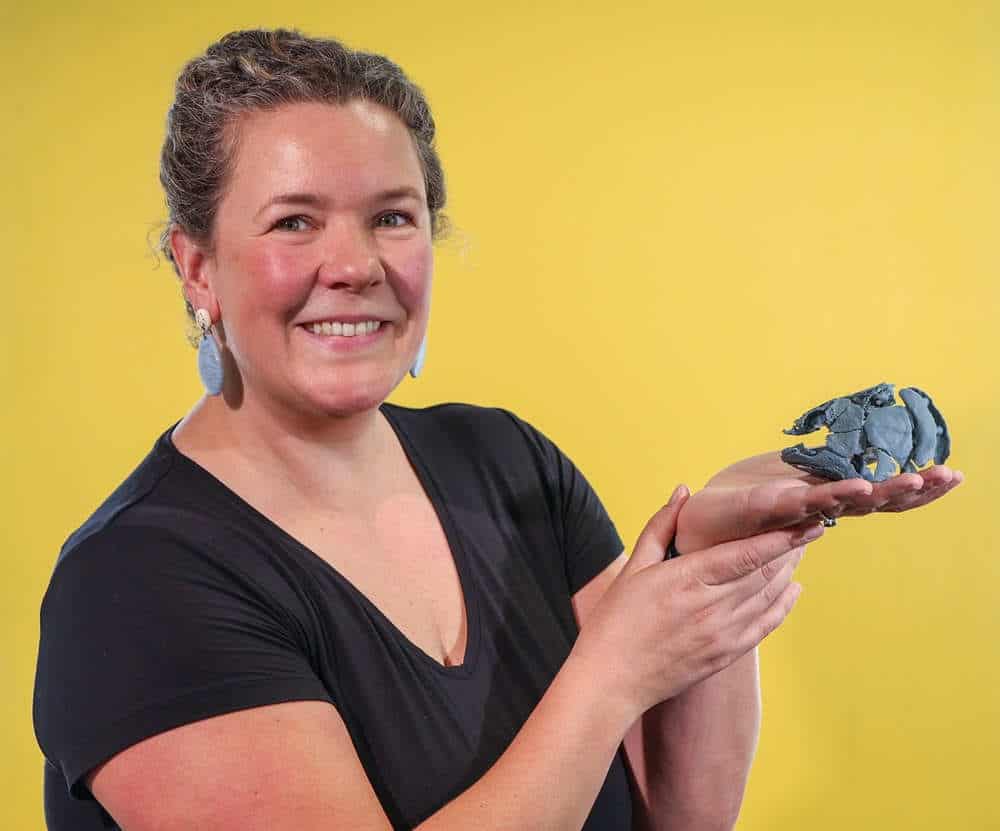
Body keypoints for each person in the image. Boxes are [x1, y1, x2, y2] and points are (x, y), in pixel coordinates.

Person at [32, 28, 962, 831]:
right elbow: (609, 689)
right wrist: (611, 674)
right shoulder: (132, 587)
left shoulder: (510, 466)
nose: (354, 264)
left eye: (392, 217)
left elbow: (679, 814)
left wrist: (716, 550)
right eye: (295, 222)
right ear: (197, 269)